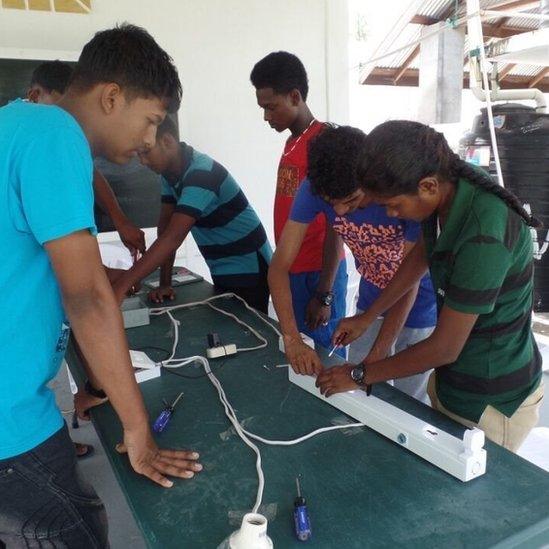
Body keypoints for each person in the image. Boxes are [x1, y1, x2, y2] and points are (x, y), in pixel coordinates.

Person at [0, 25, 202, 547]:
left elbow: (30, 265)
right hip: (10, 420)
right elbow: (86, 296)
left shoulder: (14, 125)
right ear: (112, 97)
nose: (150, 140)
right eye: (152, 120)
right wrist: (139, 434)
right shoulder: (54, 134)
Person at [317, 120, 544, 452]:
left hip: (492, 403)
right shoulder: (446, 187)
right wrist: (370, 316)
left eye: (394, 205)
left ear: (427, 186)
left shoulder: (484, 233)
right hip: (454, 381)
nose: (391, 214)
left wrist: (359, 375)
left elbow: (444, 347)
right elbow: (422, 256)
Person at [269, 125, 436, 401]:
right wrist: (292, 339)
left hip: (418, 305)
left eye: (351, 201)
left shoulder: (399, 197)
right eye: (330, 203)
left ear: (370, 180)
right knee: (362, 394)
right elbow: (278, 267)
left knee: (411, 402)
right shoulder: (313, 189)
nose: (340, 212)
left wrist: (374, 361)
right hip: (370, 300)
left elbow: (410, 280)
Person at [110, 115, 273, 313]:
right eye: (139, 154)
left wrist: (123, 284)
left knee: (251, 330)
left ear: (167, 141)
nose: (143, 161)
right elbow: (166, 230)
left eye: (146, 152)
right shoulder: (169, 175)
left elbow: (172, 238)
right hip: (222, 265)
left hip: (249, 265)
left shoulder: (202, 173)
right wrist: (164, 283)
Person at [250, 51, 347, 349]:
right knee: (297, 351)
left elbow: (337, 227)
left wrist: (324, 294)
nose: (266, 117)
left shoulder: (325, 143)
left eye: (271, 107)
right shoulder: (293, 141)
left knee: (324, 357)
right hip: (293, 267)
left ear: (295, 96)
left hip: (319, 275)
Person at [27, 60, 146, 260]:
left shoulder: (60, 141)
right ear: (34, 96)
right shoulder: (28, 139)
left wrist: (121, 221)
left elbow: (90, 172)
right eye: (61, 113)